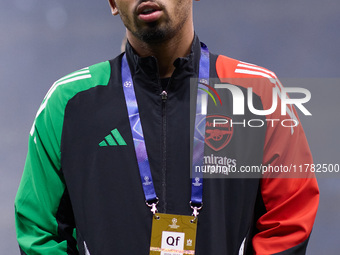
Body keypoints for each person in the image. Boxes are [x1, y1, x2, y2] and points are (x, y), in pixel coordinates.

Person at [15, 0, 319, 254]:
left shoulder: (258, 94)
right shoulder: (68, 104)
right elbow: (38, 230)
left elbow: (289, 219)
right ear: (111, 3)